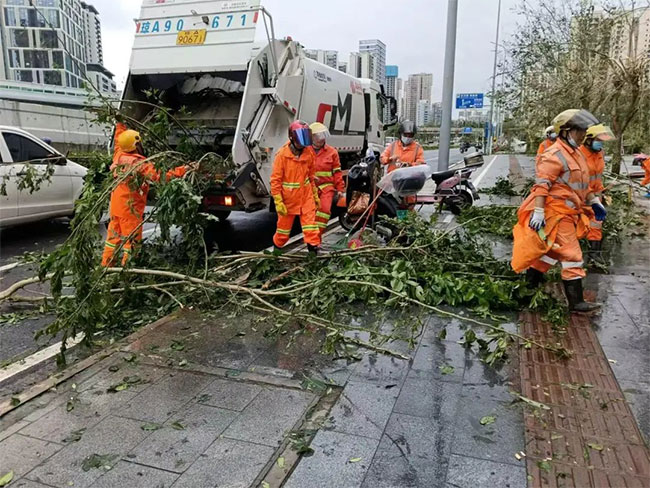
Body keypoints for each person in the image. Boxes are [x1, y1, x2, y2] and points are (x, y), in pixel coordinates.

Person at [511, 109, 606, 312]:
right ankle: (576, 302)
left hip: (570, 213)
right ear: (565, 131)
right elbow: (541, 186)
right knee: (572, 255)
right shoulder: (553, 155)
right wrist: (538, 212)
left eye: (584, 131)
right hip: (557, 213)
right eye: (580, 131)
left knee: (551, 253)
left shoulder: (577, 154)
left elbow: (583, 185)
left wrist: (594, 201)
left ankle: (528, 288)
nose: (583, 136)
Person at [101, 123, 189, 267]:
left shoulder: (119, 155)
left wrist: (120, 123)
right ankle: (128, 270)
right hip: (131, 209)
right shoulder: (138, 164)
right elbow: (161, 176)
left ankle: (107, 266)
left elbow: (119, 139)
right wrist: (183, 169)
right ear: (135, 145)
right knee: (131, 243)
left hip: (116, 207)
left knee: (113, 239)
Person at [270, 120, 321, 253]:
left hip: (306, 197)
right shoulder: (282, 155)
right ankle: (276, 252)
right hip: (288, 200)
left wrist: (314, 195)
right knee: (283, 232)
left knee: (311, 228)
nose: (302, 143)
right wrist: (278, 201)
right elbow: (275, 181)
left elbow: (310, 176)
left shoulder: (308, 153)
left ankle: (313, 252)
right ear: (292, 138)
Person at [579, 124, 614, 262]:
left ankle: (594, 253)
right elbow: (578, 179)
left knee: (596, 222)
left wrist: (600, 195)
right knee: (577, 224)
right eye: (598, 140)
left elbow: (597, 177)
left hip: (594, 195)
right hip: (580, 196)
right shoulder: (579, 154)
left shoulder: (599, 154)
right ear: (588, 140)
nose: (600, 143)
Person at [310, 122, 344, 234]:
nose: (321, 139)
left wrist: (340, 189)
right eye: (317, 136)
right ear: (312, 137)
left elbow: (337, 172)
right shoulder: (306, 151)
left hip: (326, 187)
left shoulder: (332, 152)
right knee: (309, 212)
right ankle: (311, 237)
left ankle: (316, 235)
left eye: (322, 135)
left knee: (324, 210)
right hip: (310, 186)